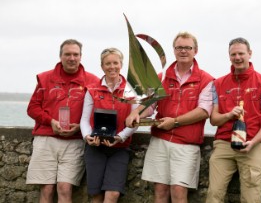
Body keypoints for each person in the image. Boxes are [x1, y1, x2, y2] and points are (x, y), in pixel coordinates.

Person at [126, 32, 214, 203]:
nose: (183, 51)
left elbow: (204, 111)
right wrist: (135, 113)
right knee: (160, 191)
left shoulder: (206, 79)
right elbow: (150, 105)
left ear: (195, 51)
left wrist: (174, 122)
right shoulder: (162, 77)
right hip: (160, 140)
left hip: (186, 144)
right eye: (179, 47)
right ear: (173, 50)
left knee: (179, 191)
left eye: (187, 47)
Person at [26, 39, 100, 203]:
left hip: (74, 141)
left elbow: (99, 111)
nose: (72, 58)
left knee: (65, 189)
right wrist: (50, 121)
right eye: (67, 54)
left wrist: (80, 128)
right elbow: (32, 108)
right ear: (60, 56)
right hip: (46, 139)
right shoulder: (45, 78)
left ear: (81, 56)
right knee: (47, 189)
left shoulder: (93, 81)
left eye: (75, 54)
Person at [206, 37, 261, 203]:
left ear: (249, 54)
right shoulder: (218, 83)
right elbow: (214, 120)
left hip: (253, 145)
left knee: (251, 198)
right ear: (229, 56)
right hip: (223, 145)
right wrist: (229, 115)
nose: (237, 57)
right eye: (233, 54)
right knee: (213, 195)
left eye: (241, 53)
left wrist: (253, 142)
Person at [80, 47, 137, 203]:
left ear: (121, 64)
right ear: (102, 66)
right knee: (96, 195)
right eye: (108, 63)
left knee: (113, 194)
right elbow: (84, 120)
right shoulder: (91, 90)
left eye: (115, 63)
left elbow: (134, 121)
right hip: (95, 147)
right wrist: (87, 137)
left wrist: (119, 137)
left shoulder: (131, 90)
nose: (112, 67)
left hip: (119, 148)